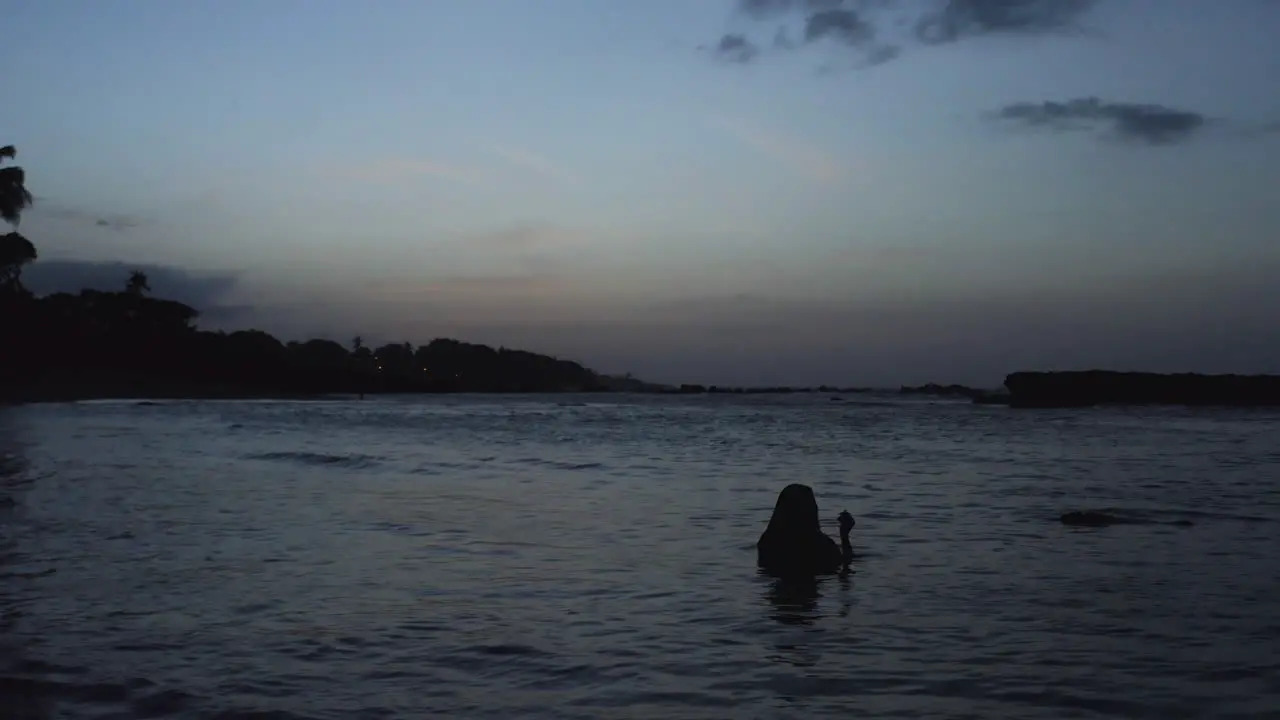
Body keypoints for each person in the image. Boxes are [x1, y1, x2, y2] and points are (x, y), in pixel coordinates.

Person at [757, 483, 854, 578]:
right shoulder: (820, 544)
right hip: (809, 591)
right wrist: (844, 535)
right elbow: (845, 564)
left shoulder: (767, 541)